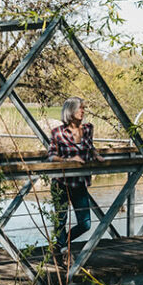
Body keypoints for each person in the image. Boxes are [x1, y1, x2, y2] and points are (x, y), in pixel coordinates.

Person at [47, 97, 102, 260]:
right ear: (70, 111)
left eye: (83, 108)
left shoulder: (88, 129)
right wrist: (69, 161)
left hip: (80, 182)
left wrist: (97, 155)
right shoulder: (57, 133)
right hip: (61, 183)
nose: (83, 111)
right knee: (61, 220)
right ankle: (63, 250)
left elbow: (90, 146)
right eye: (80, 108)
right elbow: (51, 156)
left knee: (85, 224)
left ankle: (60, 245)